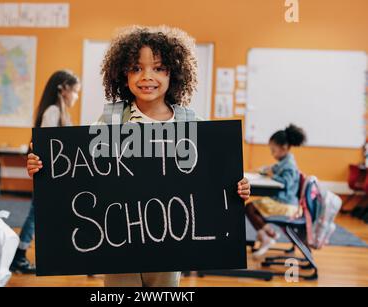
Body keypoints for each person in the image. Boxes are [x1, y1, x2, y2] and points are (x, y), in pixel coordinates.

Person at [26, 25, 251, 287]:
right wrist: (44, 168)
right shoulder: (111, 120)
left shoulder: (192, 125)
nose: (147, 76)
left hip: (171, 245)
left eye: (158, 68)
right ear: (123, 74)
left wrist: (238, 188)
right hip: (119, 242)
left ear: (174, 73)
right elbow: (84, 173)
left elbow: (212, 182)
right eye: (136, 68)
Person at [10, 70, 81, 274]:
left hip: (55, 175)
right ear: (64, 89)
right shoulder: (52, 111)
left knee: (43, 214)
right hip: (48, 175)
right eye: (75, 92)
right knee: (36, 215)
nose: (76, 97)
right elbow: (49, 145)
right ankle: (20, 255)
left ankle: (33, 254)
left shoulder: (59, 111)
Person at [246, 124, 307, 259]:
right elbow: (274, 169)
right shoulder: (284, 161)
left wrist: (272, 174)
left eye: (273, 150)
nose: (272, 154)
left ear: (283, 148)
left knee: (250, 208)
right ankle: (268, 233)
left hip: (285, 204)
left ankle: (266, 236)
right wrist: (266, 171)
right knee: (252, 208)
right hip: (282, 201)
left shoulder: (289, 165)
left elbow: (286, 183)